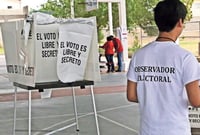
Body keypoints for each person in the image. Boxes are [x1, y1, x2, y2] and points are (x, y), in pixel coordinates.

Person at [127, 0, 200, 135]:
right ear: (179, 22)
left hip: (147, 130)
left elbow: (131, 95)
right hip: (176, 131)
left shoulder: (139, 55)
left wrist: (152, 96)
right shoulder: (185, 58)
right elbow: (196, 100)